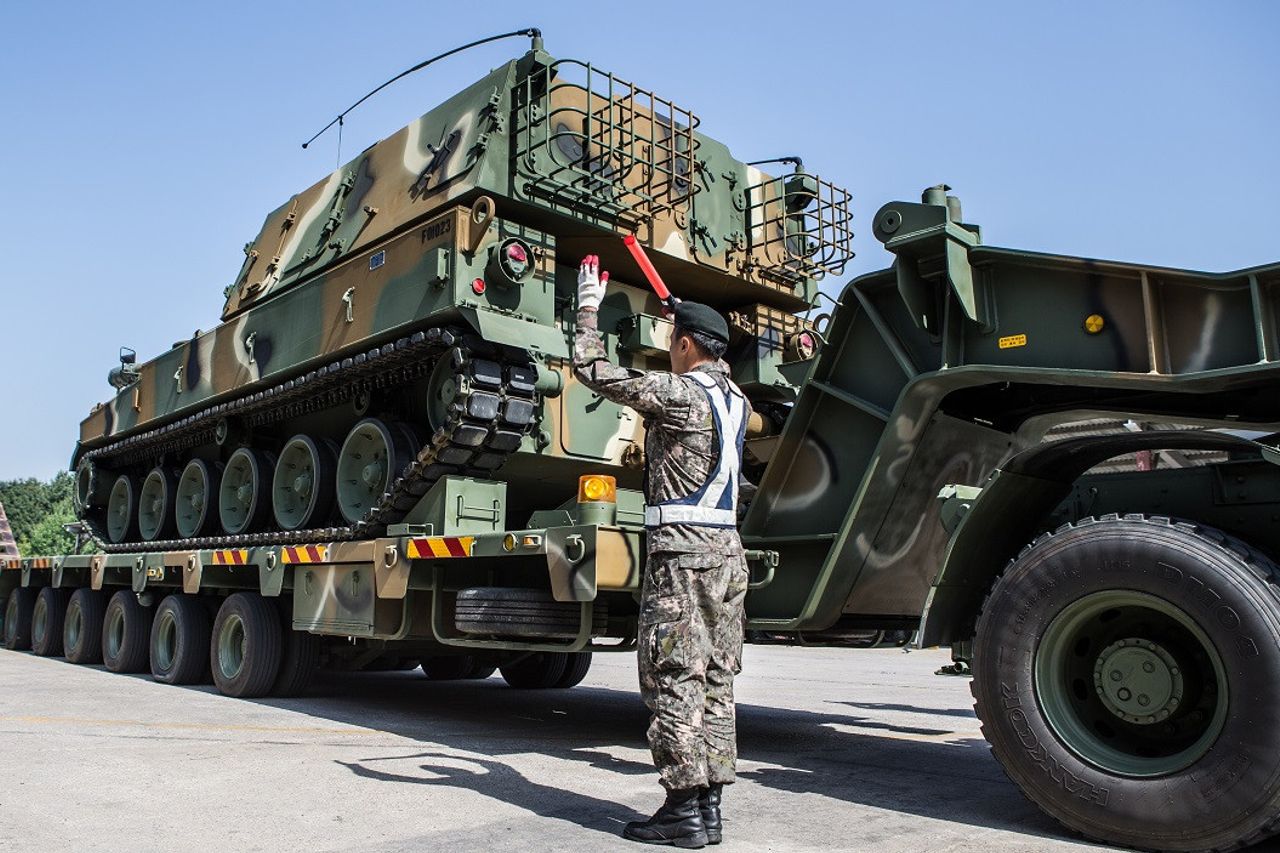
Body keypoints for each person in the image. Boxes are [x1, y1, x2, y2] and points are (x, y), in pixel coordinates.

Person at [573, 254, 752, 848]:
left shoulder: (680, 395)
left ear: (682, 344)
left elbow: (592, 368)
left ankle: (681, 808)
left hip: (683, 555)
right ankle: (709, 807)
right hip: (728, 553)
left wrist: (589, 306)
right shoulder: (737, 402)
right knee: (717, 680)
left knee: (674, 674)